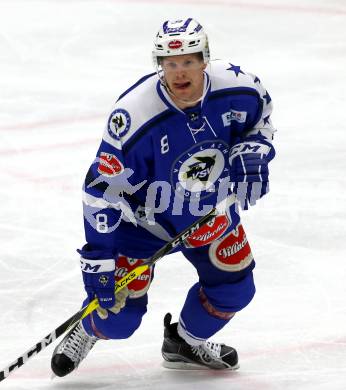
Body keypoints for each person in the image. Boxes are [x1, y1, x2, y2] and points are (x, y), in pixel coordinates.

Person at [51, 17, 276, 376]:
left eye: (188, 60)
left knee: (235, 289)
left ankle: (184, 342)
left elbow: (259, 120)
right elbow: (99, 192)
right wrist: (100, 261)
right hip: (141, 226)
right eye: (170, 63)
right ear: (159, 65)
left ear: (205, 58)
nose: (179, 72)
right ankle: (89, 327)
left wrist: (253, 151)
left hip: (207, 214)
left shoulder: (239, 87)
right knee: (119, 319)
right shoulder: (134, 116)